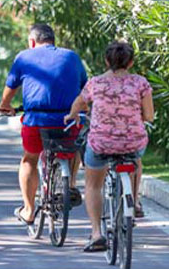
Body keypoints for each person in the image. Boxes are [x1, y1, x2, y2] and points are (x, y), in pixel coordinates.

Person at [64, 41, 153, 252]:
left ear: (106, 60)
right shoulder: (140, 83)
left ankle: (96, 233)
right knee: (135, 157)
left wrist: (71, 115)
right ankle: (135, 200)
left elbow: (79, 103)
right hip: (132, 142)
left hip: (101, 143)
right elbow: (149, 116)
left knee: (93, 185)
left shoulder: (95, 83)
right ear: (130, 62)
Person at [0, 24, 87, 228]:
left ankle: (28, 211)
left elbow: (10, 88)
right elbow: (84, 88)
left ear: (32, 42)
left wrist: (5, 107)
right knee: (74, 146)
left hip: (36, 120)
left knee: (29, 158)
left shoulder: (24, 57)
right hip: (67, 120)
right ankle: (70, 184)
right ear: (53, 40)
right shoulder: (72, 57)